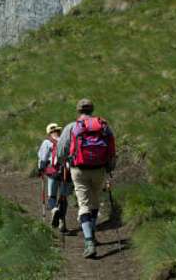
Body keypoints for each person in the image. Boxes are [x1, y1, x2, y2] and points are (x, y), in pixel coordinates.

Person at [57, 99, 116, 259]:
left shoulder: (71, 127)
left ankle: (89, 241)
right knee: (95, 202)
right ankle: (93, 233)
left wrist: (64, 163)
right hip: (99, 169)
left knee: (84, 204)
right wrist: (110, 167)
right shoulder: (103, 125)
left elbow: (61, 150)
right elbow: (111, 148)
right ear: (92, 110)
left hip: (79, 170)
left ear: (78, 110)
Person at [37, 123, 72, 233]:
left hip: (53, 173)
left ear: (49, 132)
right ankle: (62, 223)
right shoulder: (66, 140)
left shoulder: (47, 142)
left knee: (52, 196)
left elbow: (42, 158)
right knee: (63, 198)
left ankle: (54, 209)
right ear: (59, 131)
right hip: (66, 173)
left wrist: (41, 169)